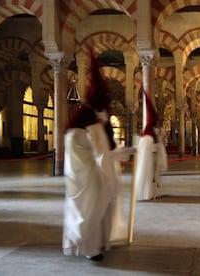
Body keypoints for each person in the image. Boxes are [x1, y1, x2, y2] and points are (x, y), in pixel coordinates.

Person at [62, 51, 134, 261]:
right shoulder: (92, 123)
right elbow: (103, 155)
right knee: (93, 211)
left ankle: (96, 243)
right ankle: (91, 248)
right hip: (90, 178)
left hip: (78, 177)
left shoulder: (81, 117)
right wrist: (128, 152)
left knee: (89, 211)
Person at [134, 90, 167, 200]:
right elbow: (149, 147)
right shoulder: (149, 133)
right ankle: (148, 193)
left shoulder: (149, 131)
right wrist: (158, 147)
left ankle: (151, 192)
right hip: (149, 160)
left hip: (151, 159)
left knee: (151, 177)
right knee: (148, 176)